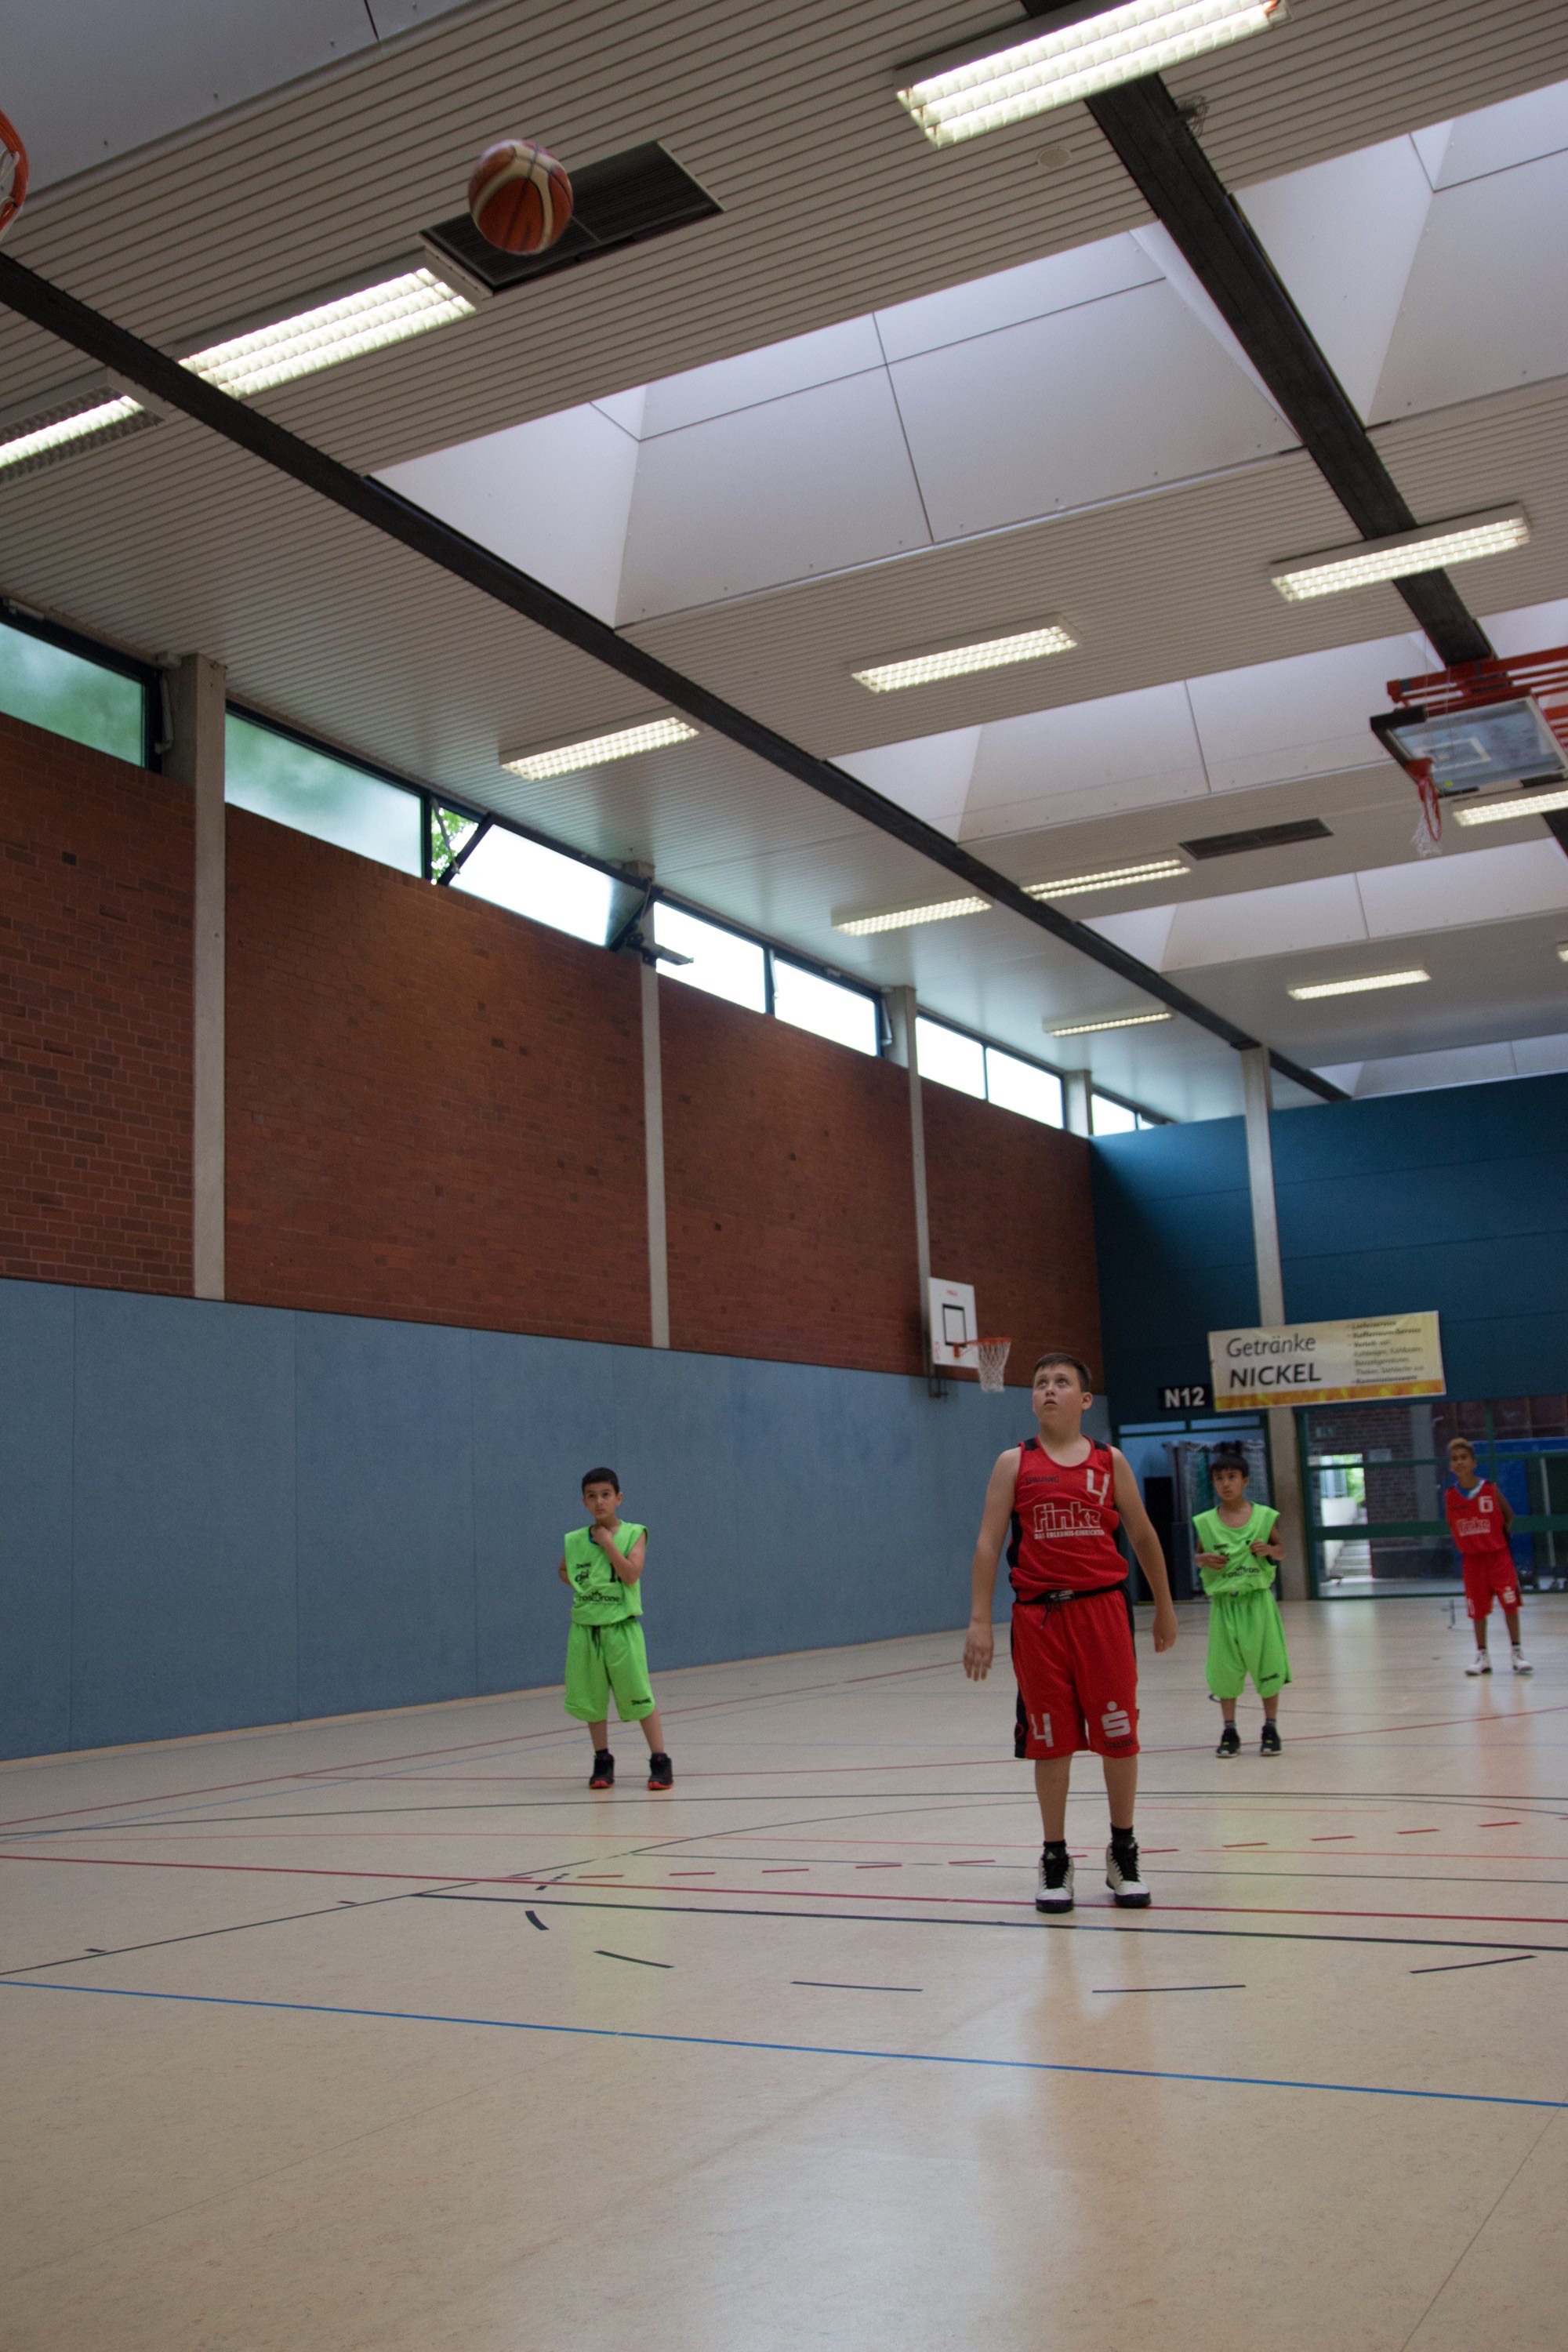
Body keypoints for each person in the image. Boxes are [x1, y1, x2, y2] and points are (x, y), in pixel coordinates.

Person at [964, 1351, 1178, 1915]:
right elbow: (988, 1543)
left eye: (1061, 1382)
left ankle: (1123, 1851)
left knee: (1118, 1734)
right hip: (1039, 1620)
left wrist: (1164, 1605)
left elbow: (1144, 1536)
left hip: (1102, 1612)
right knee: (1050, 1742)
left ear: (1085, 1400)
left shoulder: (1110, 1461)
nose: (1049, 1390)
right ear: (1032, 1399)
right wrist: (980, 1620)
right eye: (1040, 1383)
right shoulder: (1014, 1463)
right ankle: (1055, 1858)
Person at [558, 1467, 674, 1788]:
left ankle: (660, 1760)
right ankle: (602, 1761)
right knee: (591, 1699)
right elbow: (564, 1571)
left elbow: (631, 1574)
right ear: (584, 1501)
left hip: (621, 1629)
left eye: (606, 1495)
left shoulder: (635, 1532)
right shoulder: (573, 1540)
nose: (599, 1502)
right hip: (586, 1629)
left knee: (639, 1694)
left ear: (618, 1498)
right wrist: (587, 1588)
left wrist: (607, 1544)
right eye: (592, 1496)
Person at [1192, 1445, 1290, 1756]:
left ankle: (1270, 1728)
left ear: (1245, 1480)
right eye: (1219, 1478)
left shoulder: (1264, 1517)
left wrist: (1269, 1550)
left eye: (1232, 1477)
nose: (1226, 1483)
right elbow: (1198, 1557)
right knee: (1225, 1668)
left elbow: (1281, 1551)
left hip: (1257, 1601)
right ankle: (1229, 1730)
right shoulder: (1206, 1522)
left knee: (1268, 1664)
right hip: (1225, 1605)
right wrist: (1203, 1560)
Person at [1443, 1436, 1531, 1676]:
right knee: (1477, 1610)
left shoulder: (1489, 1489)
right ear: (1451, 1466)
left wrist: (1496, 1537)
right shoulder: (1451, 1496)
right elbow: (1453, 1526)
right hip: (1472, 1560)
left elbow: (1509, 1516)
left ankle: (1517, 1652)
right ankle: (1482, 1655)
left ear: (1474, 1462)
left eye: (1464, 1458)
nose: (1459, 1462)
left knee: (1510, 1604)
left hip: (1498, 1557)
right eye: (1455, 1459)